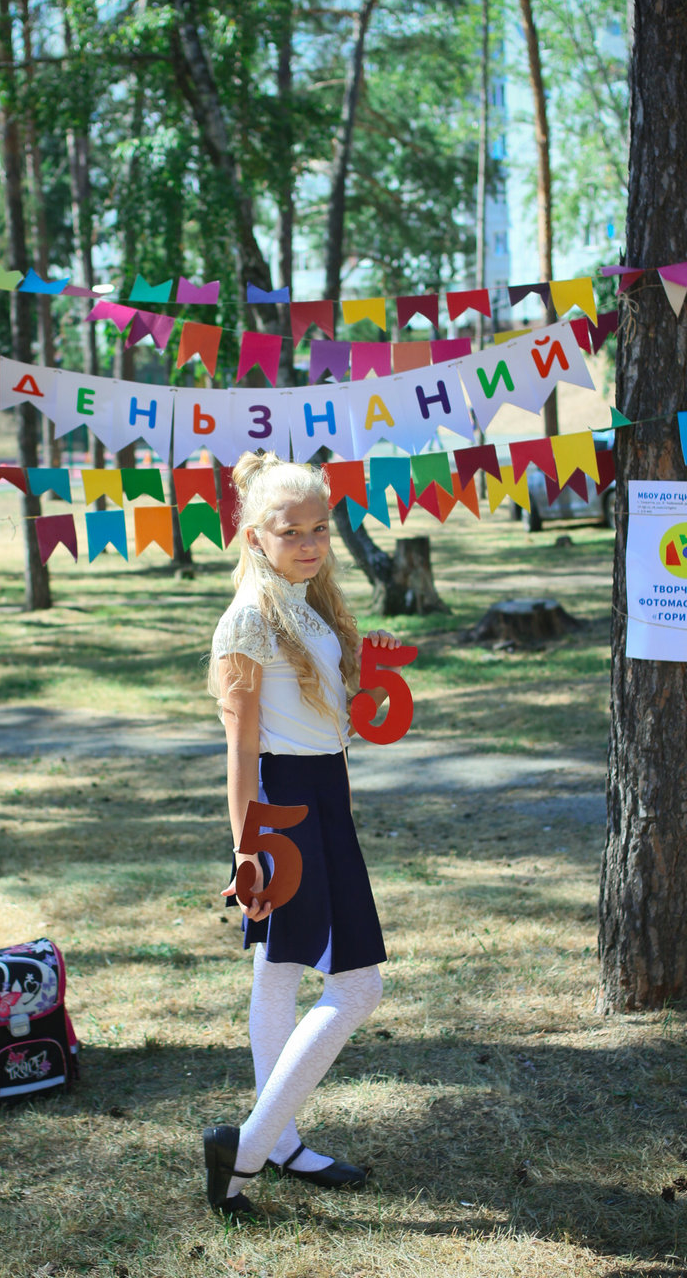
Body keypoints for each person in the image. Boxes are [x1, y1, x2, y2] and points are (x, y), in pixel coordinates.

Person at [203, 450, 401, 1217]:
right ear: (255, 535)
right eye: (290, 532)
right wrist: (245, 849)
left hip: (321, 797)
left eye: (319, 527)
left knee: (279, 970)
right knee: (357, 986)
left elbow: (323, 726)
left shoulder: (306, 604)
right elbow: (241, 748)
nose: (310, 542)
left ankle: (275, 1143)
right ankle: (247, 1148)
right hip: (282, 805)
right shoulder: (249, 617)